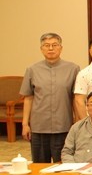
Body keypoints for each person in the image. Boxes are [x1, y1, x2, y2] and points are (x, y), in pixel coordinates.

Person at [20, 33, 79, 163]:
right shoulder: (32, 70)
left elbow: (75, 98)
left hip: (64, 126)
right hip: (39, 126)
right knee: (40, 165)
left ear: (61, 48)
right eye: (46, 45)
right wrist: (25, 124)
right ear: (41, 49)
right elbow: (28, 98)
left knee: (64, 165)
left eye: (54, 45)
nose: (50, 48)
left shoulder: (73, 69)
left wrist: (78, 123)